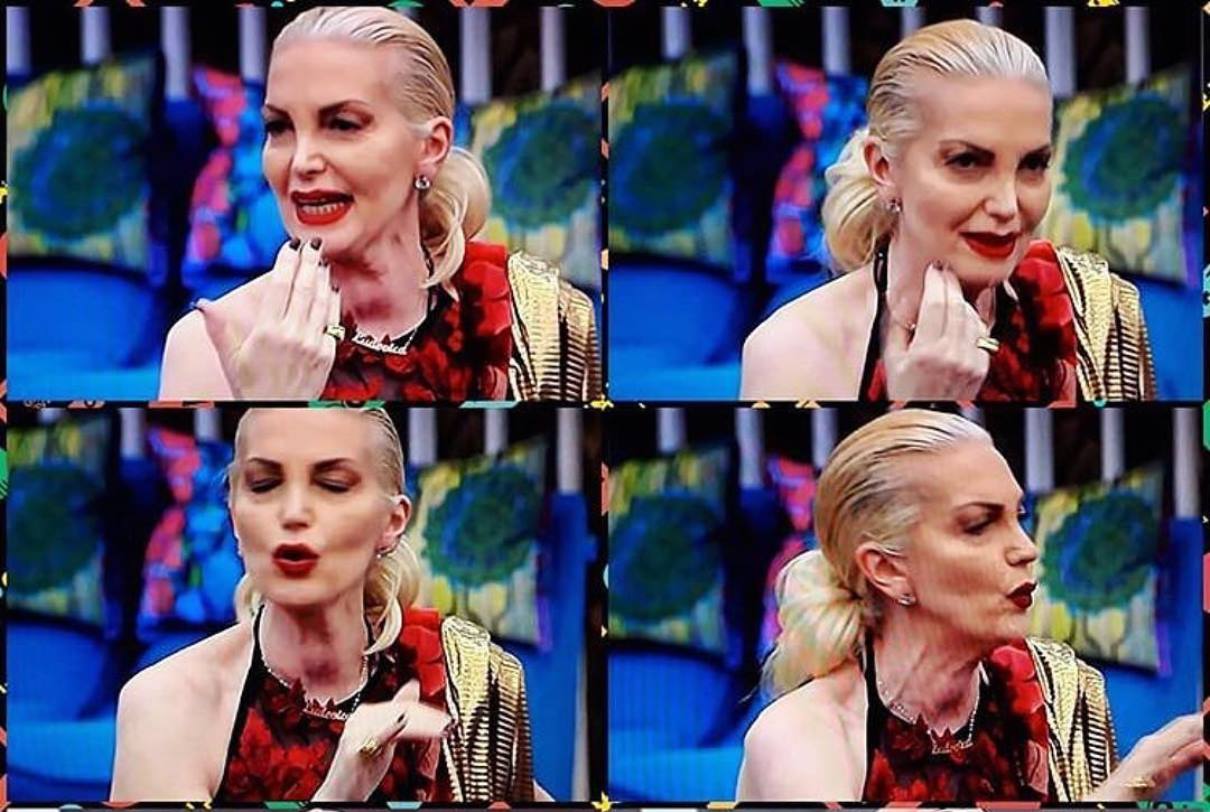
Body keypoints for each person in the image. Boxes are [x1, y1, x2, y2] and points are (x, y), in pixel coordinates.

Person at [736, 409, 1201, 802]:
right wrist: (1119, 794)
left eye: (1018, 517)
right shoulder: (802, 740)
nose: (1026, 549)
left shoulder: (1061, 687)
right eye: (979, 525)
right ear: (887, 569)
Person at [159, 7, 599, 402]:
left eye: (343, 124)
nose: (302, 161)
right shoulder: (209, 347)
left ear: (430, 147)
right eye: (279, 127)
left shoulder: (542, 318)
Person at [111, 408, 542, 802]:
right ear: (235, 516)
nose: (293, 512)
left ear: (392, 522)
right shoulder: (165, 707)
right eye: (264, 485)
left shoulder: (465, 676)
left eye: (332, 485)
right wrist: (340, 792)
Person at [741, 20, 1155, 402]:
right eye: (967, 162)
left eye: (1032, 165)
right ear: (884, 168)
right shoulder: (792, 352)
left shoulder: (1098, 311)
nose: (1007, 207)